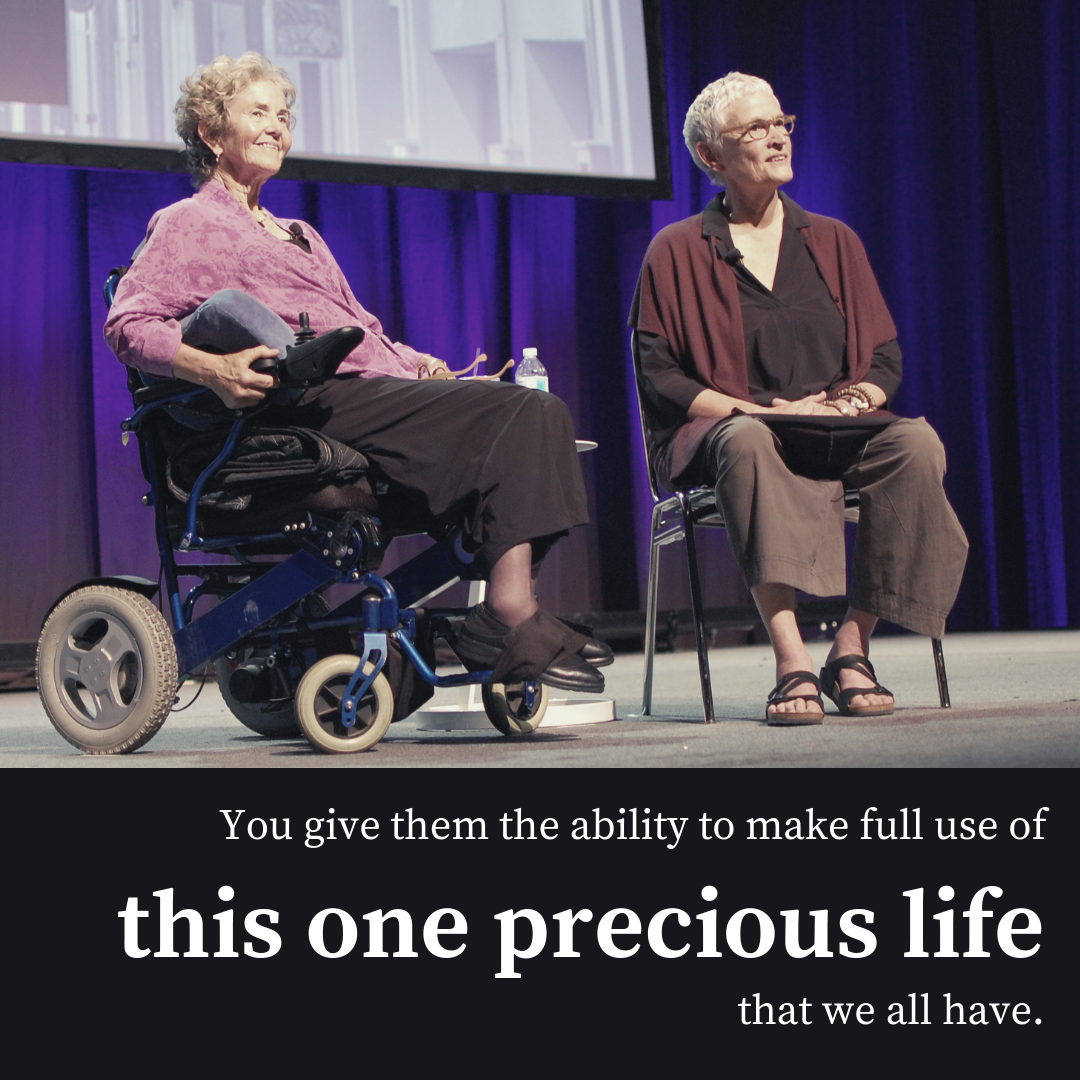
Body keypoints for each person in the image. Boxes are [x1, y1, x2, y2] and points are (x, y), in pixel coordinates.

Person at [105, 52, 609, 693]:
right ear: (211, 133)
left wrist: (422, 367)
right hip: (297, 401)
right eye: (257, 112)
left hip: (361, 391)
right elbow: (129, 325)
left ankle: (500, 614)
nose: (276, 127)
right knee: (529, 415)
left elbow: (363, 331)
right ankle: (508, 614)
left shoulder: (302, 235)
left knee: (527, 413)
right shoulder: (187, 224)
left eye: (283, 116)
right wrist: (213, 367)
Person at [629, 72, 968, 724]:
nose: (776, 136)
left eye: (780, 121)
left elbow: (883, 360)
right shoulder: (674, 251)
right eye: (754, 129)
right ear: (711, 157)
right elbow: (661, 376)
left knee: (915, 443)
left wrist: (836, 408)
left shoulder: (834, 241)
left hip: (834, 424)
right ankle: (791, 660)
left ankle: (851, 647)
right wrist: (757, 411)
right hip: (731, 433)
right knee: (751, 441)